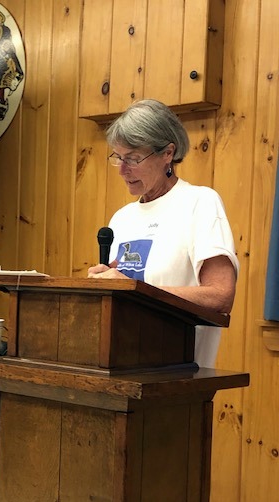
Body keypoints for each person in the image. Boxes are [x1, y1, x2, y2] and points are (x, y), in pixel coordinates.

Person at [88, 99, 238, 367]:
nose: (122, 170)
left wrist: (134, 290)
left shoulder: (199, 203)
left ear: (168, 153)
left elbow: (220, 296)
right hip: (122, 365)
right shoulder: (122, 218)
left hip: (178, 373)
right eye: (118, 157)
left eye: (133, 158)